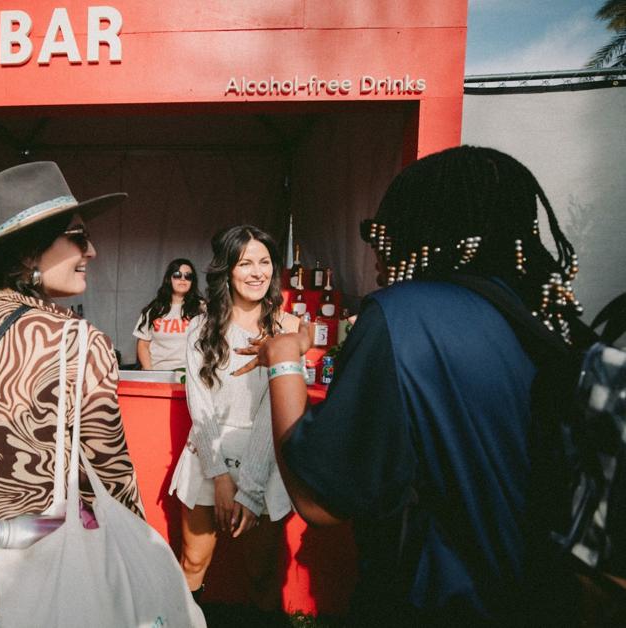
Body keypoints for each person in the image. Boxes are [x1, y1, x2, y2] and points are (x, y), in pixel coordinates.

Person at [238, 145, 585, 625]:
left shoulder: (402, 314)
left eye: (386, 234)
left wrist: (282, 360)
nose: (378, 252)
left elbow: (319, 500)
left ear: (426, 233)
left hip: (440, 601)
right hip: (543, 597)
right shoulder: (545, 313)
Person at [0, 161, 144, 626]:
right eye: (78, 236)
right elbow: (108, 474)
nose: (92, 251)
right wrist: (138, 545)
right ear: (26, 255)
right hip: (46, 575)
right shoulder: (80, 343)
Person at [170, 225, 297, 614]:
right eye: (246, 263)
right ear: (227, 271)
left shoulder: (289, 329)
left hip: (265, 461)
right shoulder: (200, 328)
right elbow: (201, 406)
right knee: (193, 563)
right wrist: (221, 476)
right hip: (209, 459)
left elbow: (273, 413)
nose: (258, 272)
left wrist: (251, 488)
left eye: (265, 262)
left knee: (260, 572)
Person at [134, 258, 204, 370]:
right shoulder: (154, 309)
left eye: (188, 276)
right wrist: (150, 373)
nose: (183, 279)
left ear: (193, 281)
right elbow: (143, 344)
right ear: (169, 279)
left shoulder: (202, 308)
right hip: (158, 375)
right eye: (177, 275)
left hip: (190, 376)